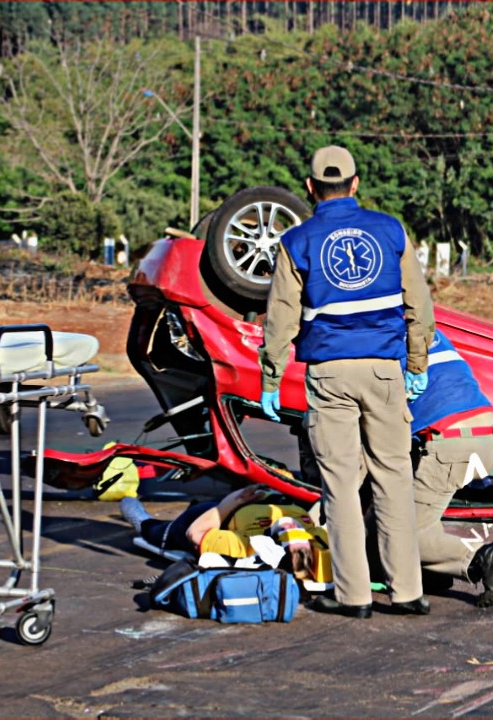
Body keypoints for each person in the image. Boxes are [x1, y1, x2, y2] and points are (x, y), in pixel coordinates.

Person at [259, 145, 434, 619]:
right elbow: (420, 307)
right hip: (383, 369)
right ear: (356, 184)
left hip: (329, 374)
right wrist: (416, 366)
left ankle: (353, 595)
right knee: (394, 478)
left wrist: (271, 377)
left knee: (339, 485)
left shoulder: (297, 242)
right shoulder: (391, 230)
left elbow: (280, 319)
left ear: (311, 189)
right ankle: (407, 592)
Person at [376, 329, 493, 607]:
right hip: (485, 432)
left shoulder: (375, 342)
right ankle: (431, 570)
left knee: (398, 535)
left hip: (452, 440)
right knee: (420, 515)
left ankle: (485, 558)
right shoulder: (425, 330)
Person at [119, 487, 324, 582]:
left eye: (286, 533)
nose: (290, 526)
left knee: (150, 527)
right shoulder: (314, 534)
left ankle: (134, 509)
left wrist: (236, 501)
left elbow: (195, 533)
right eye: (298, 533)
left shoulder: (250, 545)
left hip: (205, 516)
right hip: (250, 497)